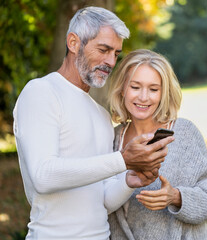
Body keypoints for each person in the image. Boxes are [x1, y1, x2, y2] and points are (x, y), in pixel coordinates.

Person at [12, 7, 173, 240]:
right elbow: (43, 177)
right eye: (103, 49)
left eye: (116, 53)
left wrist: (129, 181)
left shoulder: (101, 115)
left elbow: (102, 202)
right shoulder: (41, 92)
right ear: (73, 42)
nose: (110, 61)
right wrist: (122, 160)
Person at [107, 49, 207, 240]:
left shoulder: (184, 133)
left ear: (164, 93)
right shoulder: (112, 139)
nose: (143, 97)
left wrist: (176, 197)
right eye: (135, 87)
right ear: (122, 89)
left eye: (153, 89)